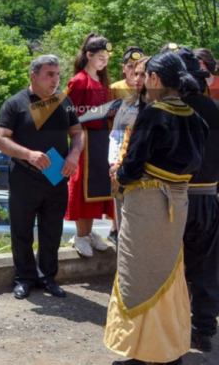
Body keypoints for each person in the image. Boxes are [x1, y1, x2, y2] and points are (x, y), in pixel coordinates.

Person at [106, 52, 208, 365]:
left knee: (140, 274)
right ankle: (170, 348)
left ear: (155, 79)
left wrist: (119, 176)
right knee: (169, 271)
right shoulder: (195, 116)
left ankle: (145, 351)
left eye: (146, 76)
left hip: (147, 204)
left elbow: (133, 165)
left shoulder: (154, 114)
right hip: (177, 202)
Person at [0, 55, 84, 299]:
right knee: (21, 230)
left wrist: (74, 155)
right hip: (24, 175)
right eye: (49, 75)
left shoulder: (64, 101)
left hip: (56, 177)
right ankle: (24, 278)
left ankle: (48, 278)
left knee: (52, 230)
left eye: (57, 74)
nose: (55, 80)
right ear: (33, 76)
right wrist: (28, 154)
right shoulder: (14, 103)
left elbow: (78, 134)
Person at [173, 47, 219, 353]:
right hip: (209, 199)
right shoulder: (216, 110)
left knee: (170, 270)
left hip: (176, 198)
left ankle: (171, 331)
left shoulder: (171, 110)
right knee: (205, 268)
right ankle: (204, 329)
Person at [65, 33, 116, 258]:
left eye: (106, 57)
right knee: (82, 189)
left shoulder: (102, 82)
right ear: (88, 55)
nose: (104, 61)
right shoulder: (79, 81)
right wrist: (100, 114)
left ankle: (90, 232)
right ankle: (80, 235)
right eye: (100, 57)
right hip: (85, 140)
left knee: (96, 189)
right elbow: (69, 114)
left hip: (101, 141)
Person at [107, 55, 148, 243]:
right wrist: (114, 162)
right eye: (135, 73)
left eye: (143, 74)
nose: (137, 79)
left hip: (146, 179)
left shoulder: (159, 107)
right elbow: (115, 135)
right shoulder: (127, 103)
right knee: (123, 233)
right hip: (120, 173)